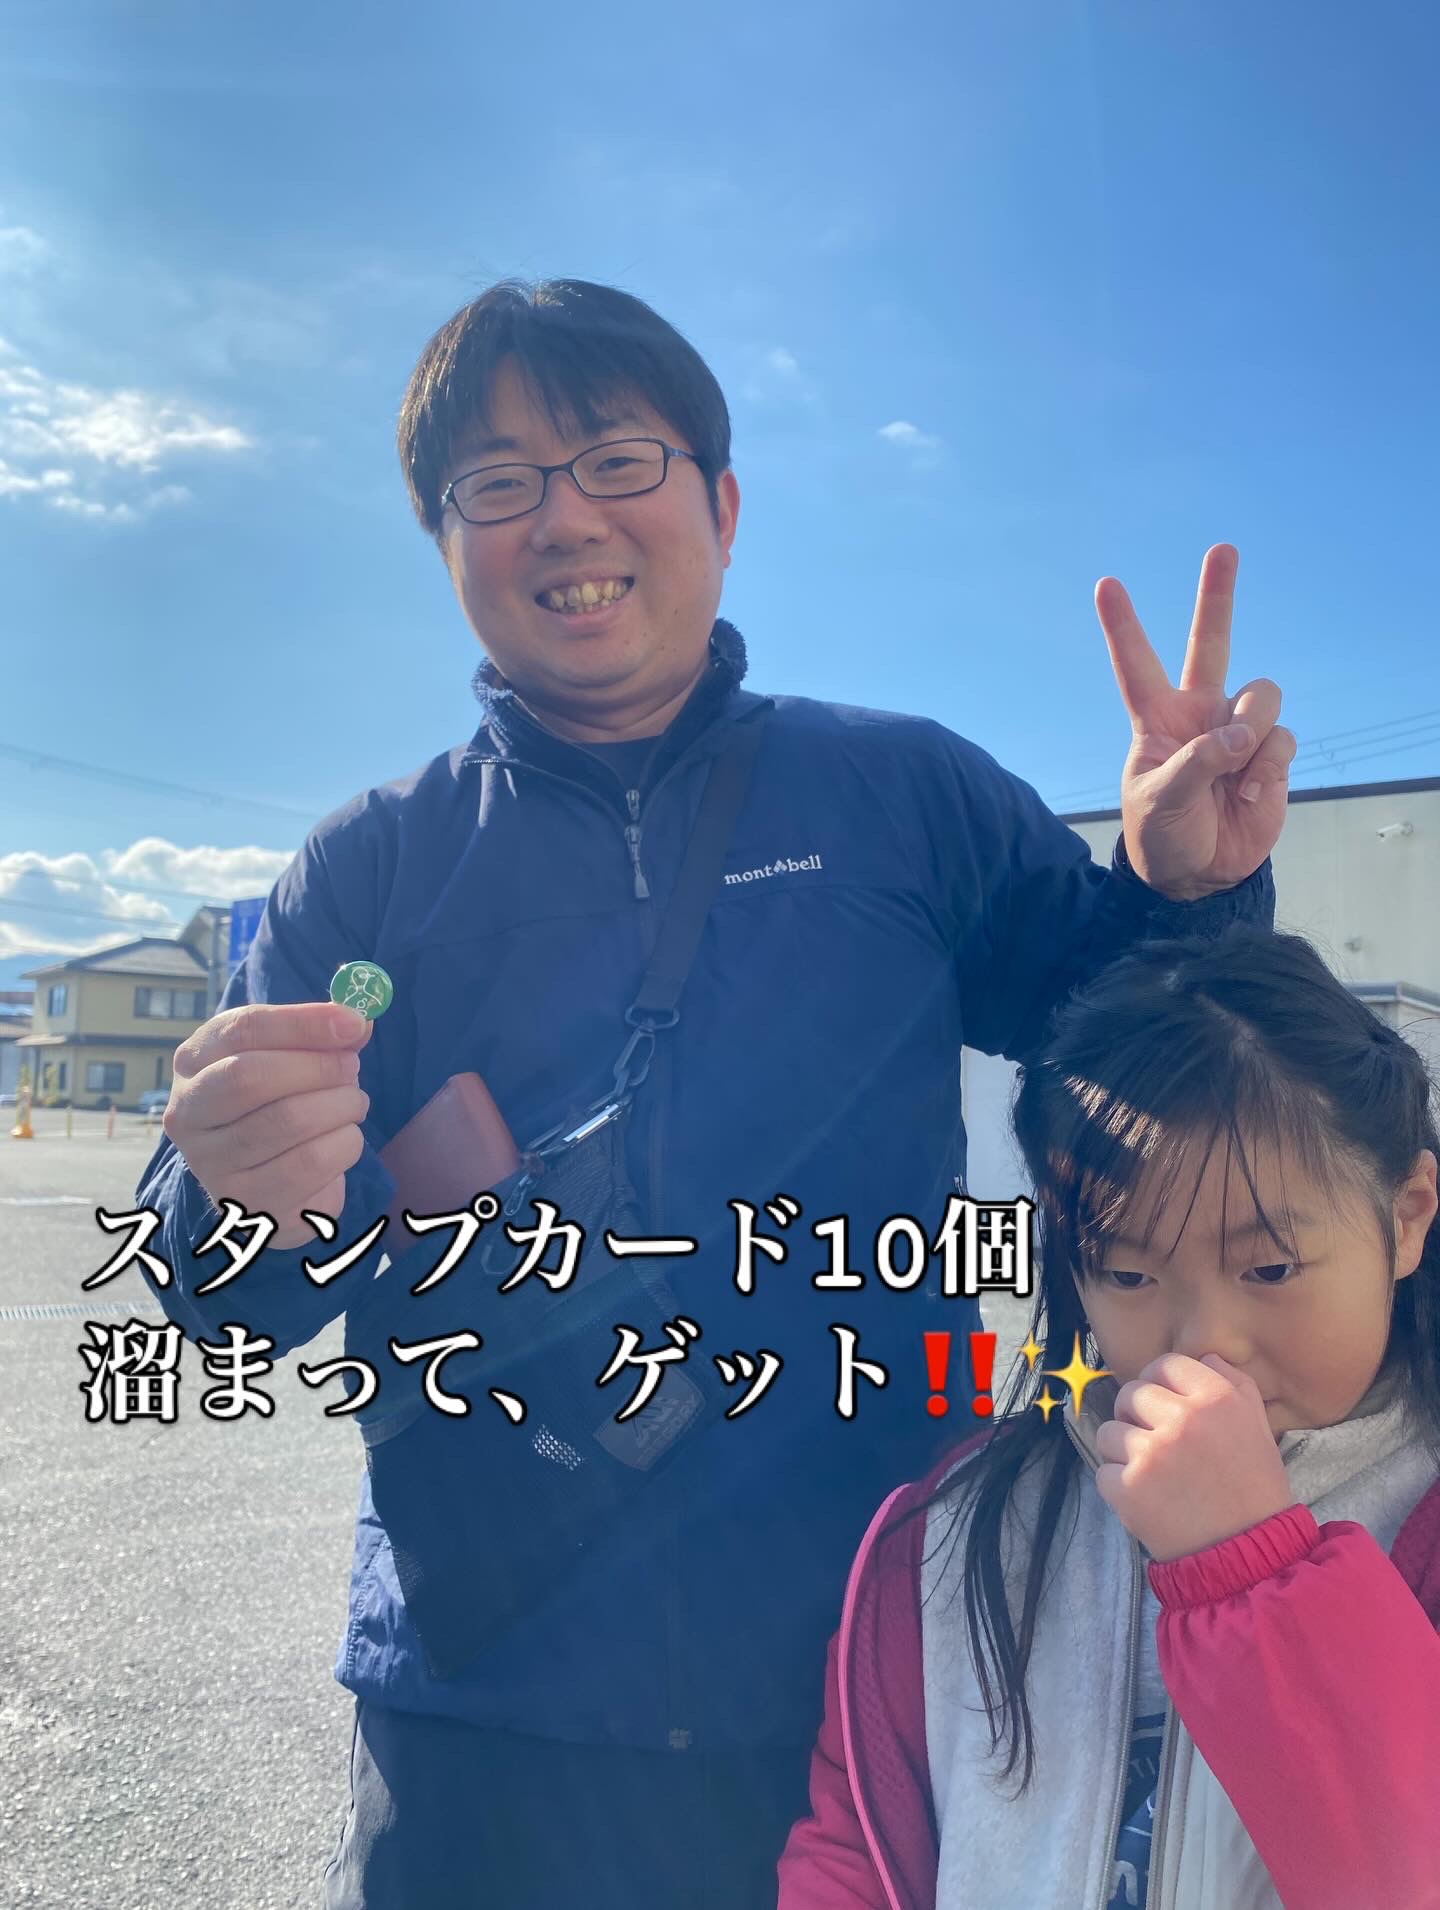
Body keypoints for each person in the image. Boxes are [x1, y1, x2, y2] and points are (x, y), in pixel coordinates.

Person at [137, 278, 1292, 1907]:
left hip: (852, 1678)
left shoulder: (903, 792)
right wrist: (229, 1195)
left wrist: (1186, 893)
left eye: (618, 460)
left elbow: (1135, 1061)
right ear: (444, 540)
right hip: (481, 1699)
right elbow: (226, 1302)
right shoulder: (371, 869)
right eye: (497, 482)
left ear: (724, 508)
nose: (564, 518)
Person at [778, 925, 1440, 1909]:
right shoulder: (951, 1534)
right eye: (1129, 1274)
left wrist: (1252, 1569)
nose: (1204, 1345)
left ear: (1407, 1215)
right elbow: (855, 1859)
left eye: (1269, 1267)